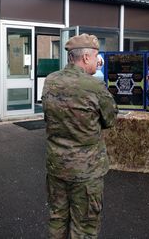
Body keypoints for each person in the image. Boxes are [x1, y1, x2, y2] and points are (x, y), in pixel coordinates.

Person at [41, 33, 118, 238]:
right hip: (86, 170)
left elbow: (48, 117)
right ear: (86, 58)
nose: (97, 61)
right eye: (96, 56)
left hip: (57, 165)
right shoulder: (94, 86)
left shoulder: (50, 80)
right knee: (85, 224)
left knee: (57, 217)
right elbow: (109, 119)